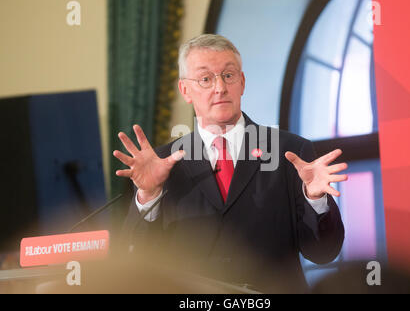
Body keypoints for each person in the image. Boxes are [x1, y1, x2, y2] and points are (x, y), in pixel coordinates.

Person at [114, 34, 346, 293]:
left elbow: (324, 253)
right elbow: (136, 260)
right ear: (185, 90)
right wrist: (148, 195)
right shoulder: (163, 164)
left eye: (228, 75)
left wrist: (315, 200)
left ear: (242, 82)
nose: (219, 88)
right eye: (205, 79)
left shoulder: (289, 151)